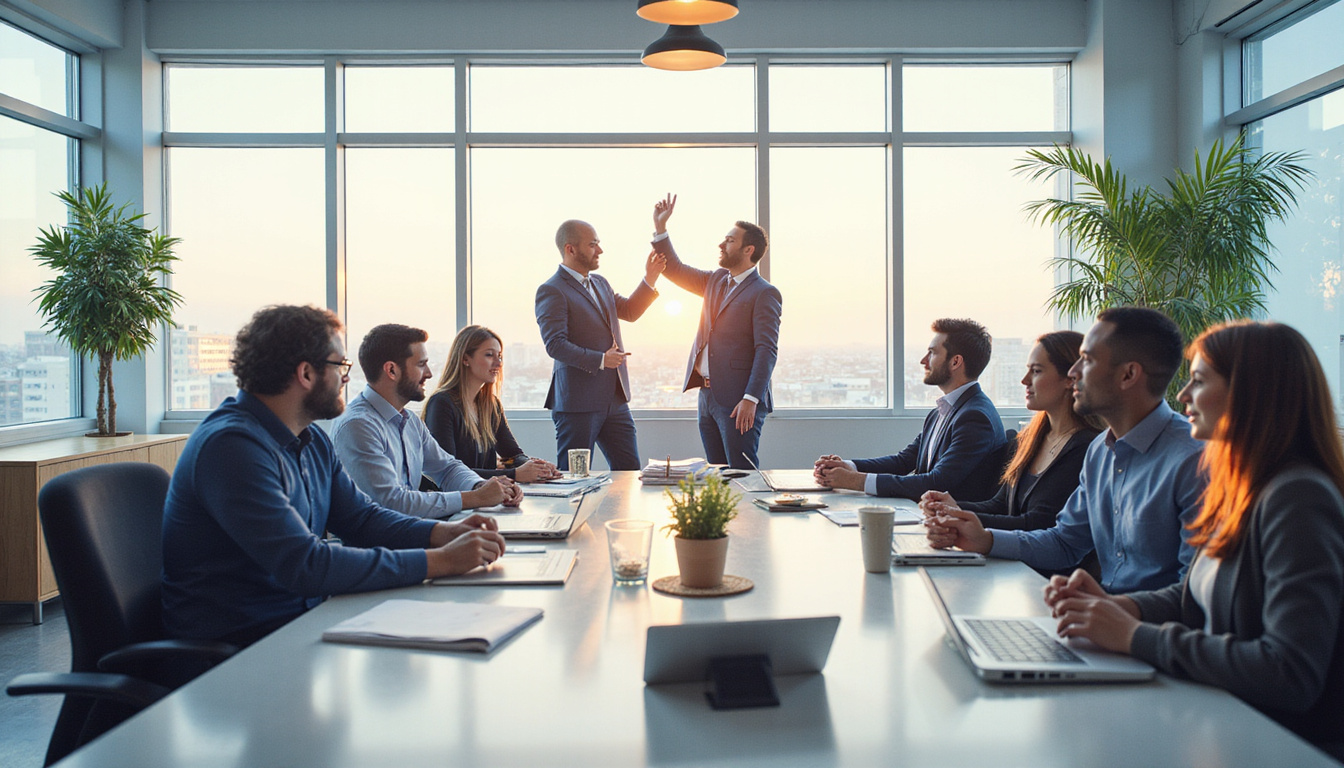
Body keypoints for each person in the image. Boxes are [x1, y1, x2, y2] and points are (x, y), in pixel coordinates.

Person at [1044, 321, 1344, 759]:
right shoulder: (1242, 487)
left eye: (1199, 381)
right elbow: (1195, 596)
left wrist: (1133, 636)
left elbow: (1290, 672)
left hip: (1279, 743)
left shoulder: (1298, 496)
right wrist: (1121, 607)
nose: (1183, 395)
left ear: (1252, 394)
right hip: (1224, 714)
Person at [162, 306, 507, 648]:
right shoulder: (232, 447)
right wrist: (441, 560)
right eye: (340, 366)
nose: (347, 377)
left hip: (303, 622)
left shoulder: (311, 442)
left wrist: (443, 533)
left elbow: (363, 519)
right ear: (306, 374)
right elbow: (305, 564)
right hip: (239, 648)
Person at [924, 307, 1205, 593]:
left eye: (1088, 360)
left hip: (1146, 631)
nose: (1073, 373)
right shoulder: (1100, 451)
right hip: (1103, 619)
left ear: (1128, 374)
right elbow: (1064, 542)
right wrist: (984, 539)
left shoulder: (1192, 460)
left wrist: (1115, 610)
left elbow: (1192, 590)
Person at [332, 323, 524, 519]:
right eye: (421, 364)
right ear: (392, 370)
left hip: (410, 531)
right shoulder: (358, 426)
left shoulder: (410, 421)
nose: (429, 374)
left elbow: (447, 468)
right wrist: (476, 497)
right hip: (379, 544)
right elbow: (393, 503)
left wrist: (480, 485)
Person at [919, 331, 1102, 534]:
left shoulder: (1085, 448)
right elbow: (1000, 505)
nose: (1025, 380)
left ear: (1071, 378)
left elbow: (1038, 524)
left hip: (1035, 564)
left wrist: (960, 520)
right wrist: (951, 508)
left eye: (1037, 371)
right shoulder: (1029, 439)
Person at [649, 193, 782, 469]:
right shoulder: (716, 280)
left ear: (748, 250)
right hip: (707, 396)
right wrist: (660, 229)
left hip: (739, 401)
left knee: (741, 475)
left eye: (730, 240)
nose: (722, 244)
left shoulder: (765, 293)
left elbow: (766, 349)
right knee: (716, 477)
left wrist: (750, 398)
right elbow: (674, 269)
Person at [813, 318, 1007, 501]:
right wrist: (848, 466)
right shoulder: (944, 411)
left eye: (932, 352)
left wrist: (855, 481)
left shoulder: (975, 417)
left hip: (947, 527)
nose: (924, 360)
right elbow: (904, 461)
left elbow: (936, 483)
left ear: (955, 362)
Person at [536, 219, 665, 472]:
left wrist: (650, 278)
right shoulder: (552, 290)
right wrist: (601, 359)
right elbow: (555, 345)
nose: (600, 250)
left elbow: (629, 311)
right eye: (593, 244)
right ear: (570, 249)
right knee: (575, 477)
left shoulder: (600, 283)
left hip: (615, 400)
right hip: (577, 405)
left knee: (629, 473)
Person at [423, 324, 562, 483]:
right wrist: (515, 474)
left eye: (500, 356)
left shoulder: (490, 405)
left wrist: (536, 466)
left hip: (482, 497)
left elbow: (512, 454)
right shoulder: (442, 404)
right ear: (465, 359)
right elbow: (447, 472)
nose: (498, 363)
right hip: (452, 501)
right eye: (489, 355)